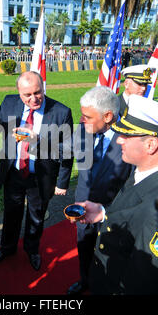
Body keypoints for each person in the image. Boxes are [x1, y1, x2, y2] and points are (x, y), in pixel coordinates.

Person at [75, 95, 158, 294]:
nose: (119, 139)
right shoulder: (143, 172)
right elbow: (134, 213)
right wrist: (103, 213)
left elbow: (143, 281)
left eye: (127, 135)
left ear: (151, 145)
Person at [0, 71, 73, 270]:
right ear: (18, 93)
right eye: (27, 95)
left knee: (36, 216)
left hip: (40, 176)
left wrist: (62, 181)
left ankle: (32, 250)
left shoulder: (61, 112)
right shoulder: (9, 102)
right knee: (11, 212)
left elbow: (67, 149)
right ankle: (7, 248)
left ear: (43, 87)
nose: (34, 99)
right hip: (13, 172)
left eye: (38, 92)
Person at [67, 86, 131, 295]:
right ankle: (85, 279)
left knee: (110, 254)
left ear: (108, 116)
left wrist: (110, 210)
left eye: (87, 116)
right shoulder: (84, 128)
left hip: (113, 211)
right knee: (84, 247)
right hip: (83, 205)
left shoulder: (130, 137)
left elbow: (133, 183)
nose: (82, 120)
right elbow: (67, 149)